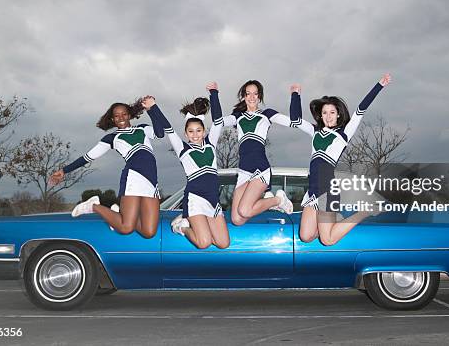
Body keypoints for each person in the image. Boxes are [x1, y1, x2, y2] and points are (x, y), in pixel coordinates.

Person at [291, 73, 392, 245]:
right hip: (312, 190)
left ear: (338, 114)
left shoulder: (344, 134)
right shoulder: (314, 131)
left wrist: (379, 86)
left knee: (328, 239)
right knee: (306, 236)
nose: (328, 116)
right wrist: (295, 94)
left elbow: (361, 109)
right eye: (324, 113)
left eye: (332, 112)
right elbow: (295, 120)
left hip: (327, 189)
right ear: (320, 115)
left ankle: (365, 211)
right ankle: (334, 219)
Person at [50, 96, 164, 238]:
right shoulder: (112, 138)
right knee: (125, 228)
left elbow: (160, 133)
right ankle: (93, 206)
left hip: (152, 181)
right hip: (133, 177)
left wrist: (152, 108)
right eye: (116, 116)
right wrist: (64, 171)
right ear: (112, 120)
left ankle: (116, 215)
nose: (121, 118)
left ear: (129, 115)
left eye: (123, 114)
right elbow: (88, 157)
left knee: (149, 232)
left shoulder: (142, 129)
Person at [155, 83, 230, 249]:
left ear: (204, 131)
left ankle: (188, 221)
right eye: (191, 131)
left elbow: (218, 122)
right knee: (203, 243)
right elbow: (168, 129)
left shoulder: (211, 144)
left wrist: (214, 93)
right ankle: (181, 226)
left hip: (213, 199)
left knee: (223, 243)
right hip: (195, 198)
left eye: (198, 130)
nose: (195, 135)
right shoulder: (183, 148)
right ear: (185, 133)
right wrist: (153, 108)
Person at [223, 80, 294, 226]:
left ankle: (278, 200)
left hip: (259, 169)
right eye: (248, 93)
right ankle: (272, 201)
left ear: (260, 96)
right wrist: (212, 96)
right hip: (243, 170)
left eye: (255, 93)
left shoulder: (267, 114)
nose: (251, 97)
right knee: (237, 219)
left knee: (245, 211)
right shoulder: (238, 116)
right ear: (243, 96)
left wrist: (295, 96)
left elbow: (293, 121)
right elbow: (218, 121)